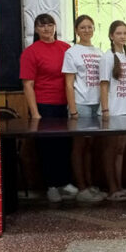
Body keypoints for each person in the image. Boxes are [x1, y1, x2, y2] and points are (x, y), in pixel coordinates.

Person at [19, 13, 78, 203]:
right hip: (44, 106)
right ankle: (51, 186)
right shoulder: (31, 52)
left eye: (50, 24)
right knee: (47, 148)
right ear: (36, 29)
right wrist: (35, 113)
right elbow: (28, 85)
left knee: (64, 145)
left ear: (55, 27)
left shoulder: (66, 48)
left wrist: (73, 107)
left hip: (65, 105)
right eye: (42, 25)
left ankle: (64, 182)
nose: (46, 28)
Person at [61, 14, 105, 202]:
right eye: (82, 27)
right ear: (77, 30)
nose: (87, 30)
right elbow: (68, 84)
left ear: (94, 29)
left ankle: (89, 184)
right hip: (81, 104)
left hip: (97, 105)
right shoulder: (72, 52)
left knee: (90, 146)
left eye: (89, 27)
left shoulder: (99, 52)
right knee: (79, 146)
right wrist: (73, 110)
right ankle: (81, 188)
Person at [98, 20, 126, 201]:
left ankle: (119, 186)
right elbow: (104, 85)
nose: (123, 36)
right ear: (111, 36)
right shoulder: (107, 57)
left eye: (125, 33)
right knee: (110, 150)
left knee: (121, 150)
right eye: (119, 33)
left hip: (125, 111)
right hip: (113, 111)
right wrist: (105, 110)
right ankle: (112, 189)